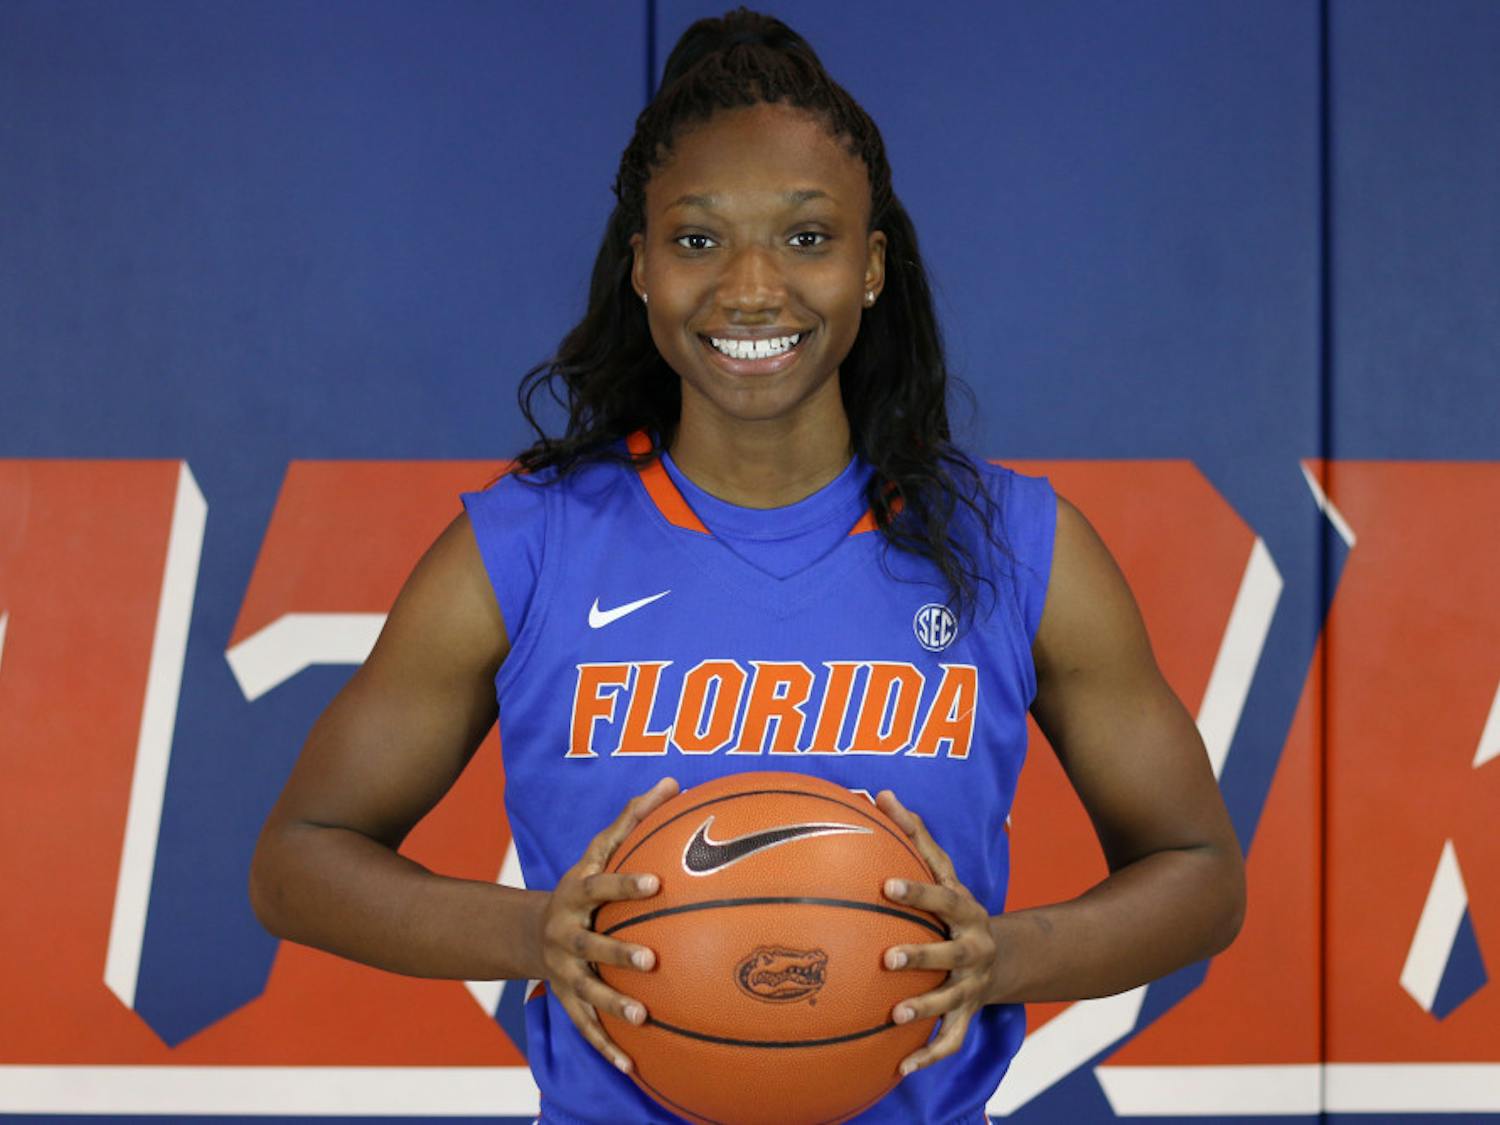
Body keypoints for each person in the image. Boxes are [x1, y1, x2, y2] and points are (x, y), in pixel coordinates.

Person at [249, 8, 1245, 1123]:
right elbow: (298, 859)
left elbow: (1200, 870)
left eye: (808, 239)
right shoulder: (526, 547)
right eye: (697, 239)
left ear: (872, 267)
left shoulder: (1012, 544)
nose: (752, 288)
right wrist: (533, 934)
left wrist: (1009, 955)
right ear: (640, 267)